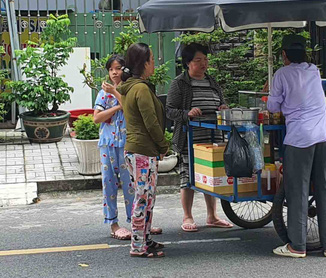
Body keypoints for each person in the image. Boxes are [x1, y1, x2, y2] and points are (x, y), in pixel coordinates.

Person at [267, 35, 326, 258]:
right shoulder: (313, 71)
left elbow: (272, 106)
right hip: (324, 135)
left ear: (285, 55)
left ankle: (297, 246)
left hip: (299, 138)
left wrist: (272, 93)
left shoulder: (281, 74)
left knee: (297, 190)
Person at [93, 54, 163, 241]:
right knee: (109, 183)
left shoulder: (127, 90)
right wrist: (115, 108)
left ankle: (137, 222)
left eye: (118, 68)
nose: (114, 72)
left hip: (127, 144)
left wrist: (116, 95)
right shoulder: (103, 94)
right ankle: (113, 224)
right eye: (111, 69)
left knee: (132, 185)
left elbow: (128, 105)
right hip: (108, 144)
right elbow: (96, 118)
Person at [166, 43, 233, 232]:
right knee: (187, 178)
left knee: (211, 176)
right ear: (188, 63)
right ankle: (187, 216)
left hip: (213, 137)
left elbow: (222, 102)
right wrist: (187, 113)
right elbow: (170, 111)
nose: (203, 63)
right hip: (189, 139)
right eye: (198, 60)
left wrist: (223, 108)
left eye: (205, 60)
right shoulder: (179, 83)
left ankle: (212, 216)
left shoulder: (212, 82)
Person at [118, 43, 169, 258]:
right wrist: (163, 145)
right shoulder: (140, 89)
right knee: (142, 198)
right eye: (152, 60)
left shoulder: (132, 87)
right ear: (144, 63)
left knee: (147, 197)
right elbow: (151, 123)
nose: (154, 63)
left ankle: (144, 239)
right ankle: (138, 245)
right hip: (142, 151)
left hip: (137, 150)